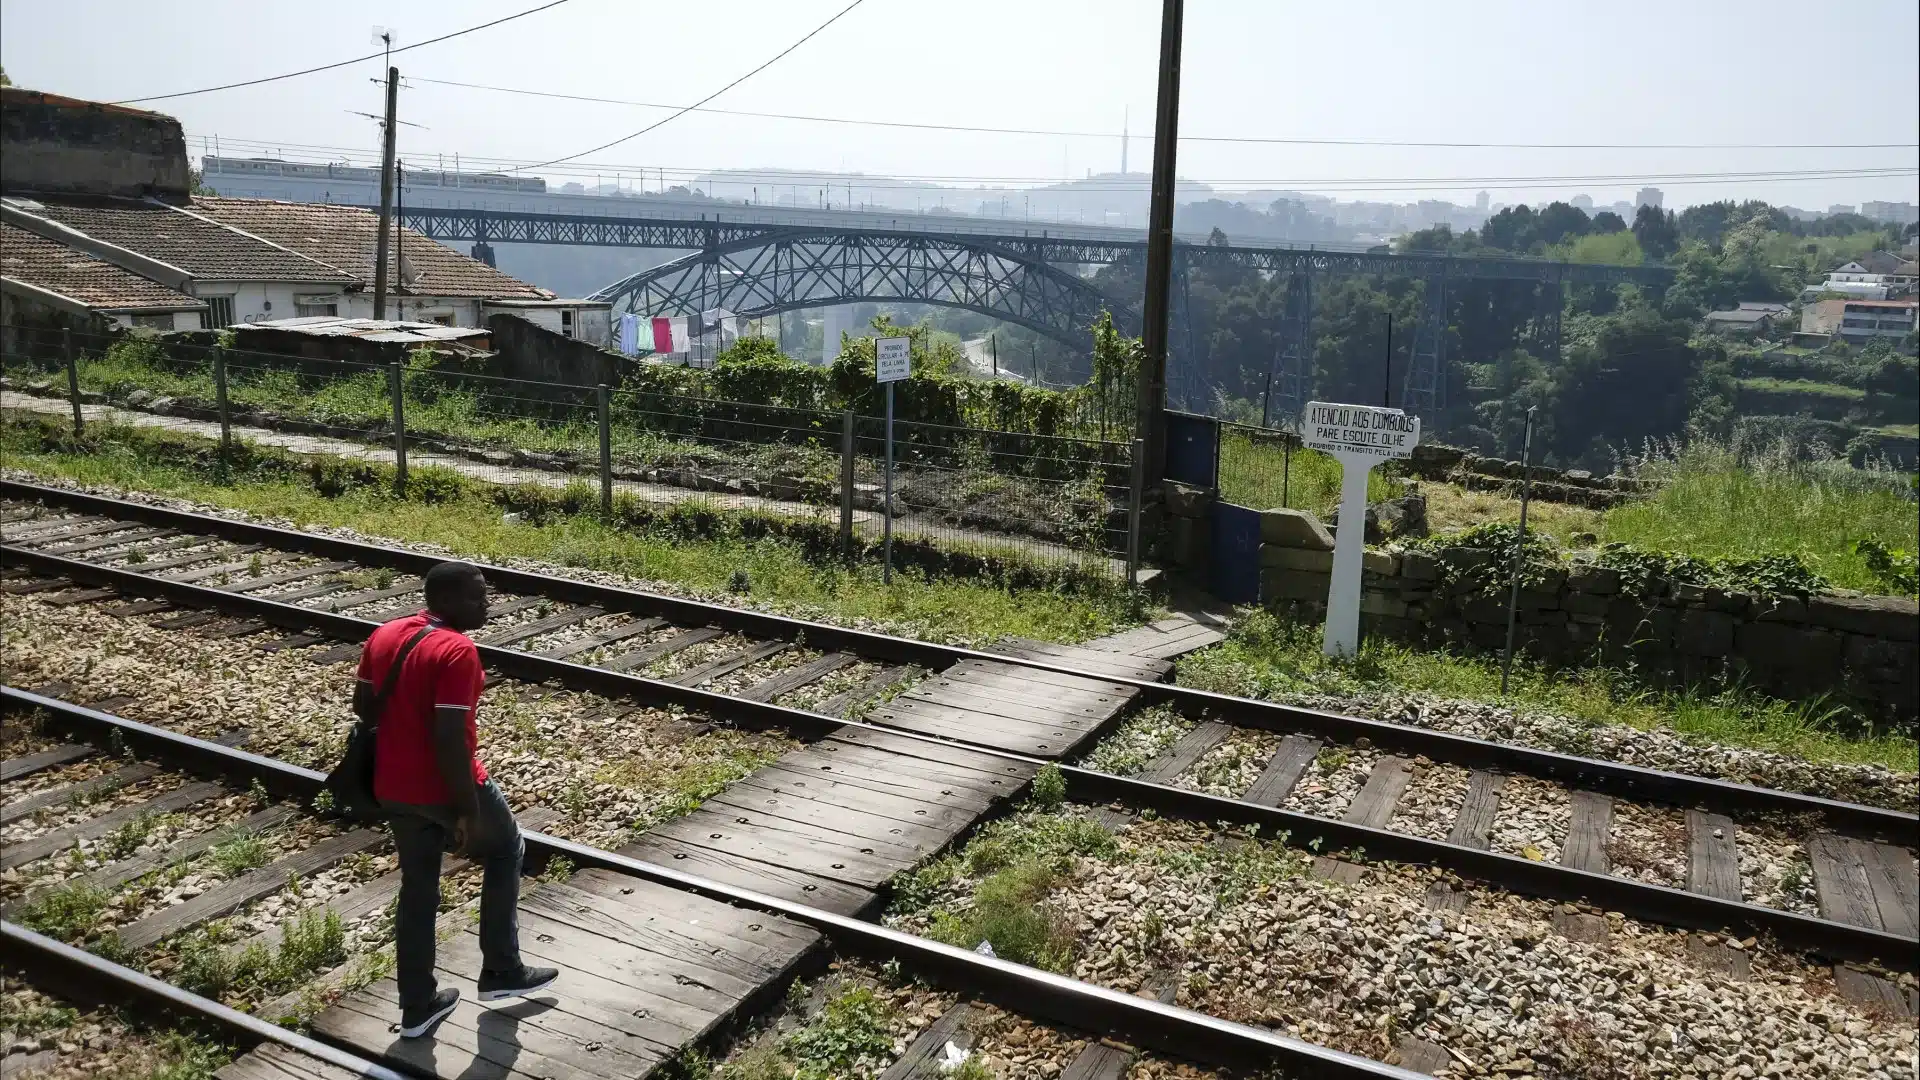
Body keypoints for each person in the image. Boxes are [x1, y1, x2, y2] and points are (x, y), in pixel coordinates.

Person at [354, 560, 557, 1038]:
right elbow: (450, 739)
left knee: (418, 888)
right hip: (443, 786)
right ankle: (502, 972)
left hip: (392, 785)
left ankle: (417, 1006)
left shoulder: (384, 634)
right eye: (475, 596)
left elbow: (364, 707)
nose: (485, 603)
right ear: (443, 601)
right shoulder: (458, 650)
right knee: (507, 849)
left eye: (484, 594)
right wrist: (465, 809)